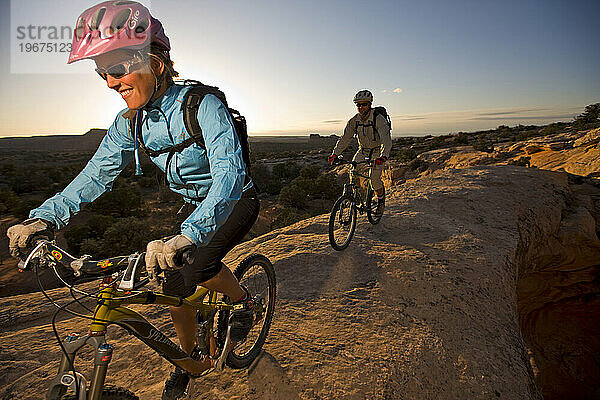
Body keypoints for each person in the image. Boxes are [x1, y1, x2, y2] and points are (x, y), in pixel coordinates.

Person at [6, 2, 257, 399]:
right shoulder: (129, 122)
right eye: (101, 71)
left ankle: (243, 302)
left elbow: (229, 173)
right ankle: (188, 359)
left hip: (234, 199)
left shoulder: (202, 104)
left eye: (119, 68)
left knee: (199, 264)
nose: (109, 82)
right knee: (174, 285)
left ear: (156, 63)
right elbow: (95, 175)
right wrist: (44, 219)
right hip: (190, 205)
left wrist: (190, 235)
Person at [328, 90, 392, 215]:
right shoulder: (354, 121)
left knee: (374, 179)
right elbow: (345, 138)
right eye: (358, 105)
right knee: (353, 171)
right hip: (362, 151)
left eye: (364, 104)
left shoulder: (378, 119)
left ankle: (380, 202)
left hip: (377, 152)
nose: (361, 107)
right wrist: (335, 153)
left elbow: (386, 140)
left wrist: (383, 156)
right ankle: (355, 198)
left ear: (370, 104)